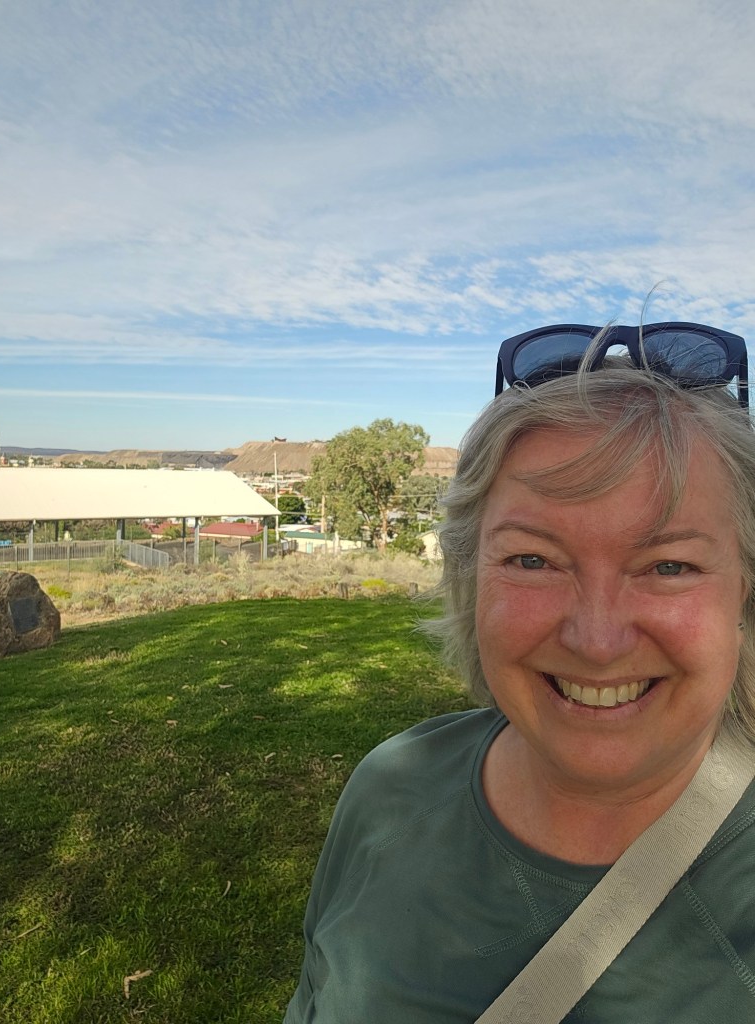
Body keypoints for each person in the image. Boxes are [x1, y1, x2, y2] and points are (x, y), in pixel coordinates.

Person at [284, 322, 755, 1023]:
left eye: (669, 565)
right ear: (471, 576)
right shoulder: (389, 789)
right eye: (533, 560)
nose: (597, 641)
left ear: (745, 590)